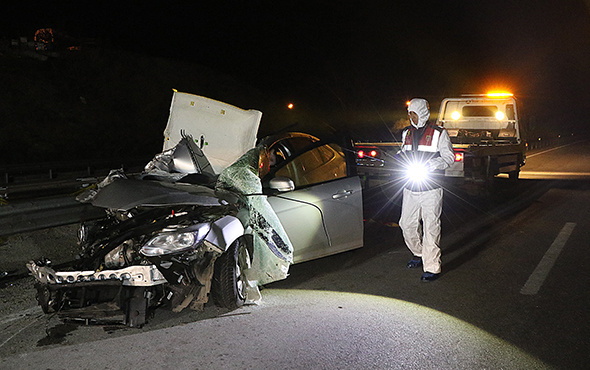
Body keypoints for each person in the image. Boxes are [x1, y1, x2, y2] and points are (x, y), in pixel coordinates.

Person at [398, 98, 455, 282]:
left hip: (431, 188)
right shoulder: (406, 132)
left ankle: (432, 267)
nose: (410, 117)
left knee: (431, 226)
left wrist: (432, 164)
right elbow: (403, 152)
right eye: (409, 114)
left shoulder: (439, 133)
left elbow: (449, 157)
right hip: (410, 187)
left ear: (422, 112)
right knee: (406, 224)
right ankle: (419, 253)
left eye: (413, 113)